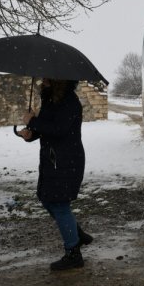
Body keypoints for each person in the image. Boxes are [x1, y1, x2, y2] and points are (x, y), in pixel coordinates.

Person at [17, 78, 93, 271]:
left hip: (66, 160)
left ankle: (73, 253)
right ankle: (76, 233)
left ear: (57, 79)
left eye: (47, 76)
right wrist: (31, 133)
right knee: (46, 198)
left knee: (58, 202)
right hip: (53, 159)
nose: (42, 79)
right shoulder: (50, 98)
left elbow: (59, 129)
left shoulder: (68, 101)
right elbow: (47, 127)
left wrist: (32, 121)